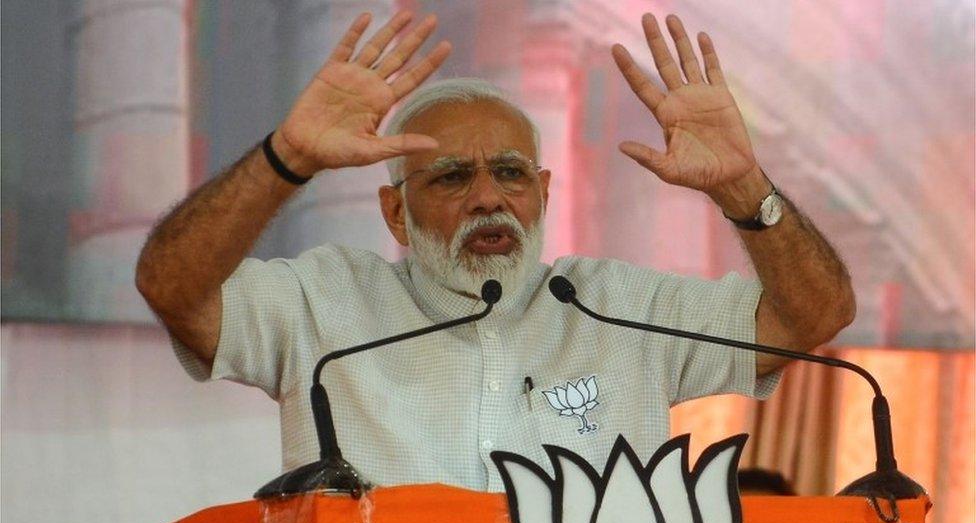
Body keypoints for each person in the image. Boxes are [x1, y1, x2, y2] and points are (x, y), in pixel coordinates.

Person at [135, 12, 855, 491]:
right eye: (451, 176)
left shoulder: (618, 309)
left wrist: (743, 188)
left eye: (510, 173)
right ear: (394, 210)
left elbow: (813, 316)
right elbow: (172, 285)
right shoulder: (324, 305)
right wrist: (287, 156)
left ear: (541, 192)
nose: (488, 197)